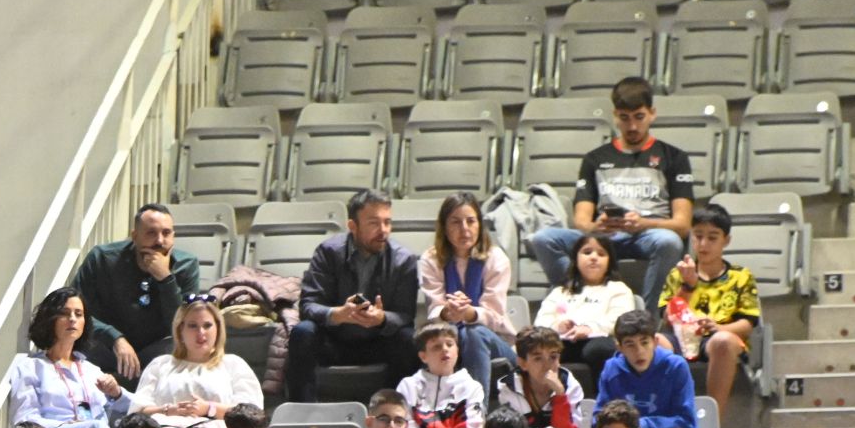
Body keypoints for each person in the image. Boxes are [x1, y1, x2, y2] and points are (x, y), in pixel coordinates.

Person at [528, 75, 695, 321]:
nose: (633, 127)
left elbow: (682, 225)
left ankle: (648, 320)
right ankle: (578, 297)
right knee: (543, 239)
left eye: (639, 117)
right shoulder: (594, 159)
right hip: (604, 237)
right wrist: (598, 226)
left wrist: (644, 223)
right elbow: (581, 222)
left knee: (669, 242)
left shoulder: (674, 157)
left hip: (648, 233)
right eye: (625, 118)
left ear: (652, 114)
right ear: (615, 116)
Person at [286, 188, 420, 403]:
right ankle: (301, 412)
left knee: (407, 339)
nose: (383, 230)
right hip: (335, 340)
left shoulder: (404, 260)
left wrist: (382, 318)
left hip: (379, 340)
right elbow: (308, 305)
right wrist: (337, 314)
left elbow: (406, 315)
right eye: (374, 223)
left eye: (387, 222)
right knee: (303, 332)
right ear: (352, 226)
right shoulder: (328, 252)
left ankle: (394, 411)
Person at [6, 286, 131, 428]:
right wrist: (66, 426)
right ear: (50, 320)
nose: (73, 318)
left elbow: (130, 408)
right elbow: (24, 419)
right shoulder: (30, 367)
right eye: (65, 313)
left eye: (78, 314)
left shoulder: (91, 370)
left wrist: (117, 393)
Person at [129, 299, 258, 428]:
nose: (201, 332)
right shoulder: (160, 365)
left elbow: (251, 416)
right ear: (180, 329)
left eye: (207, 325)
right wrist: (167, 410)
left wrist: (209, 409)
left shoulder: (233, 364)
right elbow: (137, 414)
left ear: (218, 329)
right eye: (192, 326)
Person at [77, 204, 202, 384]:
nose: (159, 241)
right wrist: (115, 338)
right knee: (75, 336)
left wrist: (165, 279)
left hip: (155, 351)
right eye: (151, 233)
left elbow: (182, 324)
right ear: (134, 236)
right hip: (107, 348)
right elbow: (77, 309)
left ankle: (127, 386)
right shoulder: (102, 258)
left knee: (179, 344)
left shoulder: (186, 264)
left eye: (166, 233)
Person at [661, 203, 760, 414]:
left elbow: (748, 323)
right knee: (655, 341)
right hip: (682, 337)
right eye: (698, 236)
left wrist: (718, 328)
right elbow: (667, 319)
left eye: (712, 237)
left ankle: (712, 419)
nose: (703, 244)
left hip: (720, 336)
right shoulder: (678, 274)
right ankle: (663, 416)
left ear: (726, 240)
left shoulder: (741, 277)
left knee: (722, 342)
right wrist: (687, 286)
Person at [416, 190, 516, 393]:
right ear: (444, 227)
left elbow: (495, 316)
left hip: (496, 339)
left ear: (480, 224)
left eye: (471, 221)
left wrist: (468, 313)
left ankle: (476, 412)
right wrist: (448, 312)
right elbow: (435, 309)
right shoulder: (430, 259)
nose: (465, 229)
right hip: (449, 335)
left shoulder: (496, 258)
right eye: (455, 222)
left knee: (475, 334)